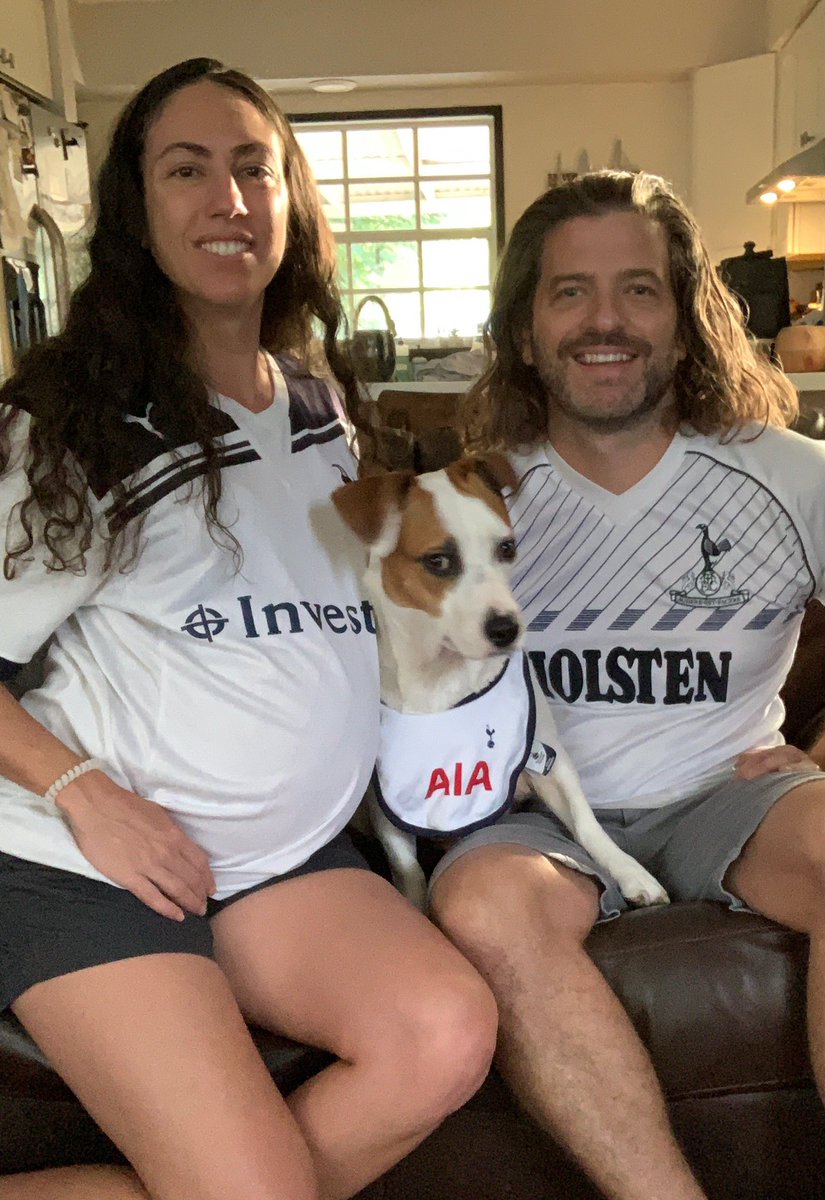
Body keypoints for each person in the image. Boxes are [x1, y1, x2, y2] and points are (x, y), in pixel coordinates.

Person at [0, 57, 497, 1200]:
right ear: (137, 213)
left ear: (290, 200)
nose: (228, 199)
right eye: (188, 170)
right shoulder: (74, 427)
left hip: (274, 864)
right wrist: (85, 794)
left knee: (447, 1033)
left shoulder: (320, 410)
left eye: (253, 169)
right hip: (85, 864)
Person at [429, 169, 825, 1200]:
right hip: (540, 816)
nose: (604, 321)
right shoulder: (475, 498)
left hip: (730, 794)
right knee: (482, 905)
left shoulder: (790, 475)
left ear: (685, 322)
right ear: (525, 332)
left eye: (638, 290)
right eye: (570, 292)